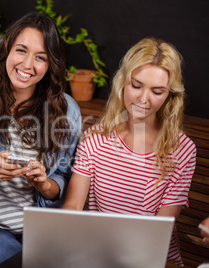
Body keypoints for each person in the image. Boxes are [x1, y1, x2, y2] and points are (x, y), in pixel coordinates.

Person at [0, 11, 82, 267]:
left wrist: (45, 185)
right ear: (7, 50)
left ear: (50, 64)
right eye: (21, 50)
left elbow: (63, 181)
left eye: (40, 57)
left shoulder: (68, 111)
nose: (28, 65)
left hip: (43, 231)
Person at [62, 37, 197, 265]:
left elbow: (159, 231)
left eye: (157, 91)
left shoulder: (182, 150)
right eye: (136, 85)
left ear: (169, 96)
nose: (143, 99)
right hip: (97, 254)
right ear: (123, 83)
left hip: (151, 260)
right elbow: (73, 206)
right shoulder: (94, 139)